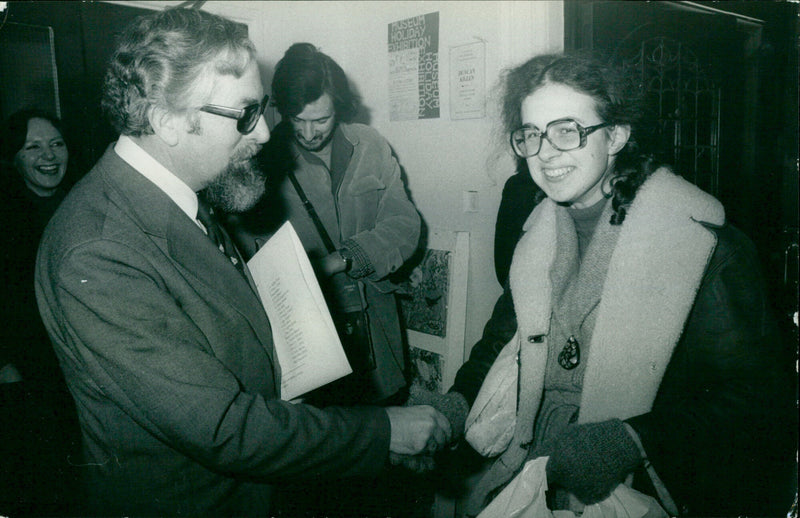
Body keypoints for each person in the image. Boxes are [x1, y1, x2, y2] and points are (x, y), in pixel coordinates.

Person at [33, 9, 450, 517]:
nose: (267, 135)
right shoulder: (98, 251)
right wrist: (385, 431)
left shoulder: (182, 198)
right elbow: (223, 428)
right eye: (246, 115)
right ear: (167, 121)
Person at [424, 52, 797, 517]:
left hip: (641, 485)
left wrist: (631, 439)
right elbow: (501, 343)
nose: (545, 153)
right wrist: (453, 409)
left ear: (616, 135)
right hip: (528, 466)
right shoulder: (534, 235)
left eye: (567, 131)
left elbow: (758, 402)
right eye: (532, 135)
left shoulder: (703, 245)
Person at [232, 42, 421, 408]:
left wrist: (343, 258)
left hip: (376, 332)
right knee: (328, 439)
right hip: (308, 337)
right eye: (296, 119)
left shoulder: (371, 145)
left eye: (321, 120)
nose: (308, 133)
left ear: (341, 108)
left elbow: (404, 224)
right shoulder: (262, 160)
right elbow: (247, 251)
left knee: (389, 435)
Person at [0, 108, 82, 515]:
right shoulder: (6, 215)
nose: (49, 156)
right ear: (14, 157)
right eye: (33, 147)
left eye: (56, 143)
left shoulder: (80, 202)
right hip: (29, 369)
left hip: (78, 362)